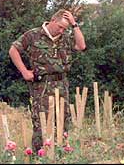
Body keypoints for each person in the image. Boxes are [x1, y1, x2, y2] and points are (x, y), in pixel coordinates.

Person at [9, 9, 86, 152]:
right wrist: (24, 71)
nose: (62, 31)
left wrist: (75, 25)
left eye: (65, 28)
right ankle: (39, 156)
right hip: (41, 85)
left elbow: (81, 46)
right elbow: (13, 50)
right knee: (41, 121)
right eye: (60, 27)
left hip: (61, 84)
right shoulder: (33, 35)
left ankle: (60, 154)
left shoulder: (65, 37)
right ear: (53, 21)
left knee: (62, 120)